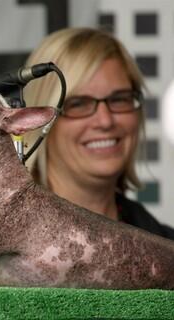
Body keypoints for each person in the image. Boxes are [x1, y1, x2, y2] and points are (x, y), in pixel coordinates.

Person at [23, 27, 174, 239]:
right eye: (79, 104)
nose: (105, 121)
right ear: (37, 119)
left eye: (119, 99)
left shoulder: (165, 248)